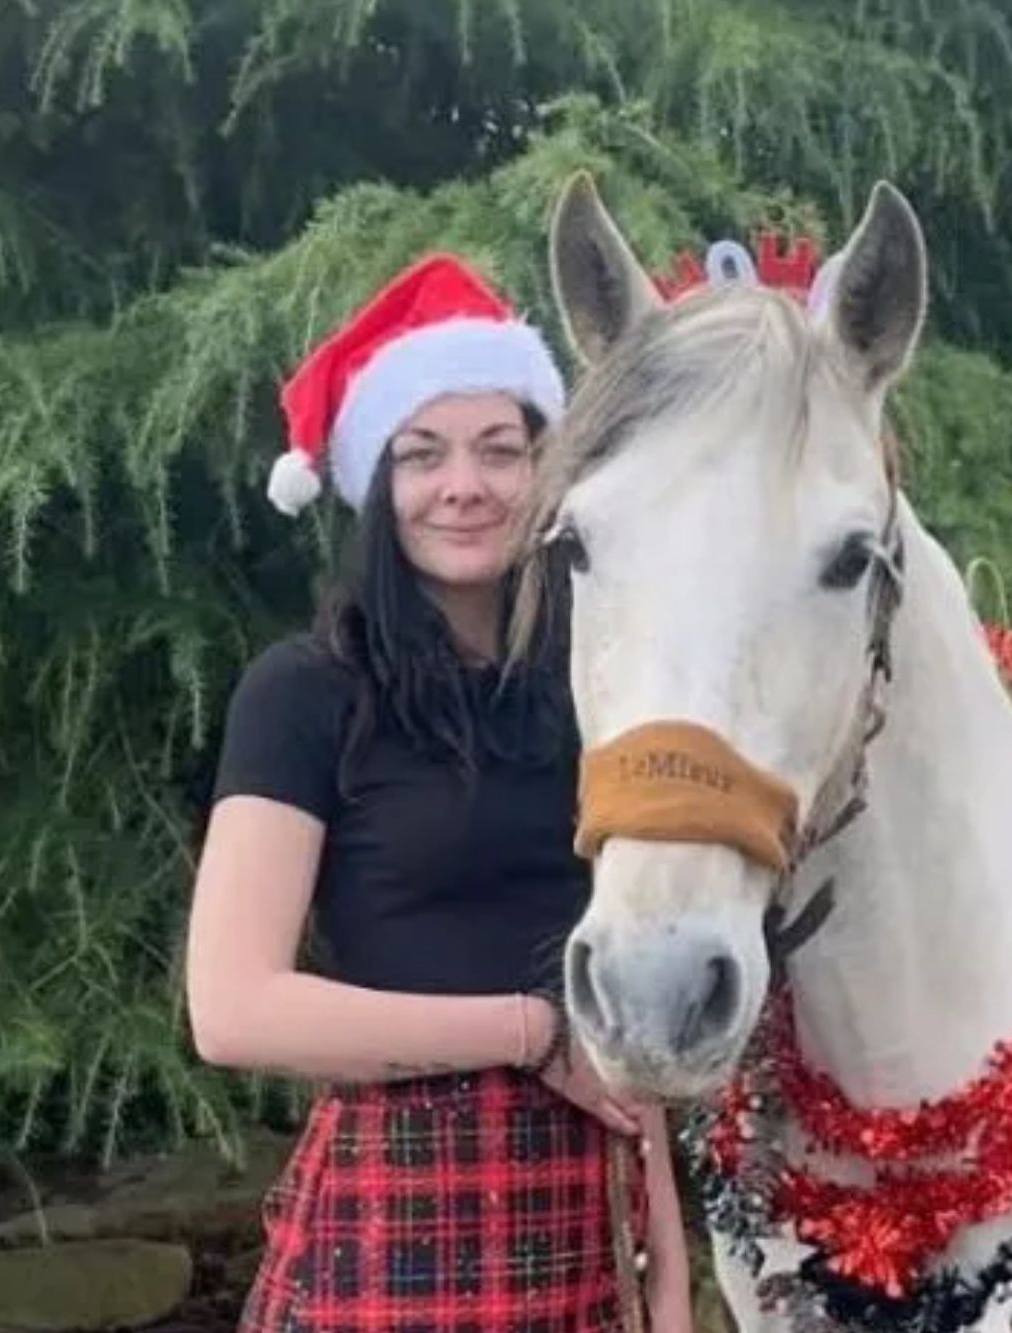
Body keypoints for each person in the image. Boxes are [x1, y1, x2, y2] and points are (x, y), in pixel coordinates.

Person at [186, 253, 694, 1333]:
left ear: (545, 473)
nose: (464, 484)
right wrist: (528, 1033)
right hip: (395, 1210)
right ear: (379, 487)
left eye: (500, 450)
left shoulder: (597, 687)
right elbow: (231, 1009)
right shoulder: (305, 693)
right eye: (422, 456)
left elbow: (626, 1025)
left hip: (589, 1204)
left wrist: (669, 1283)